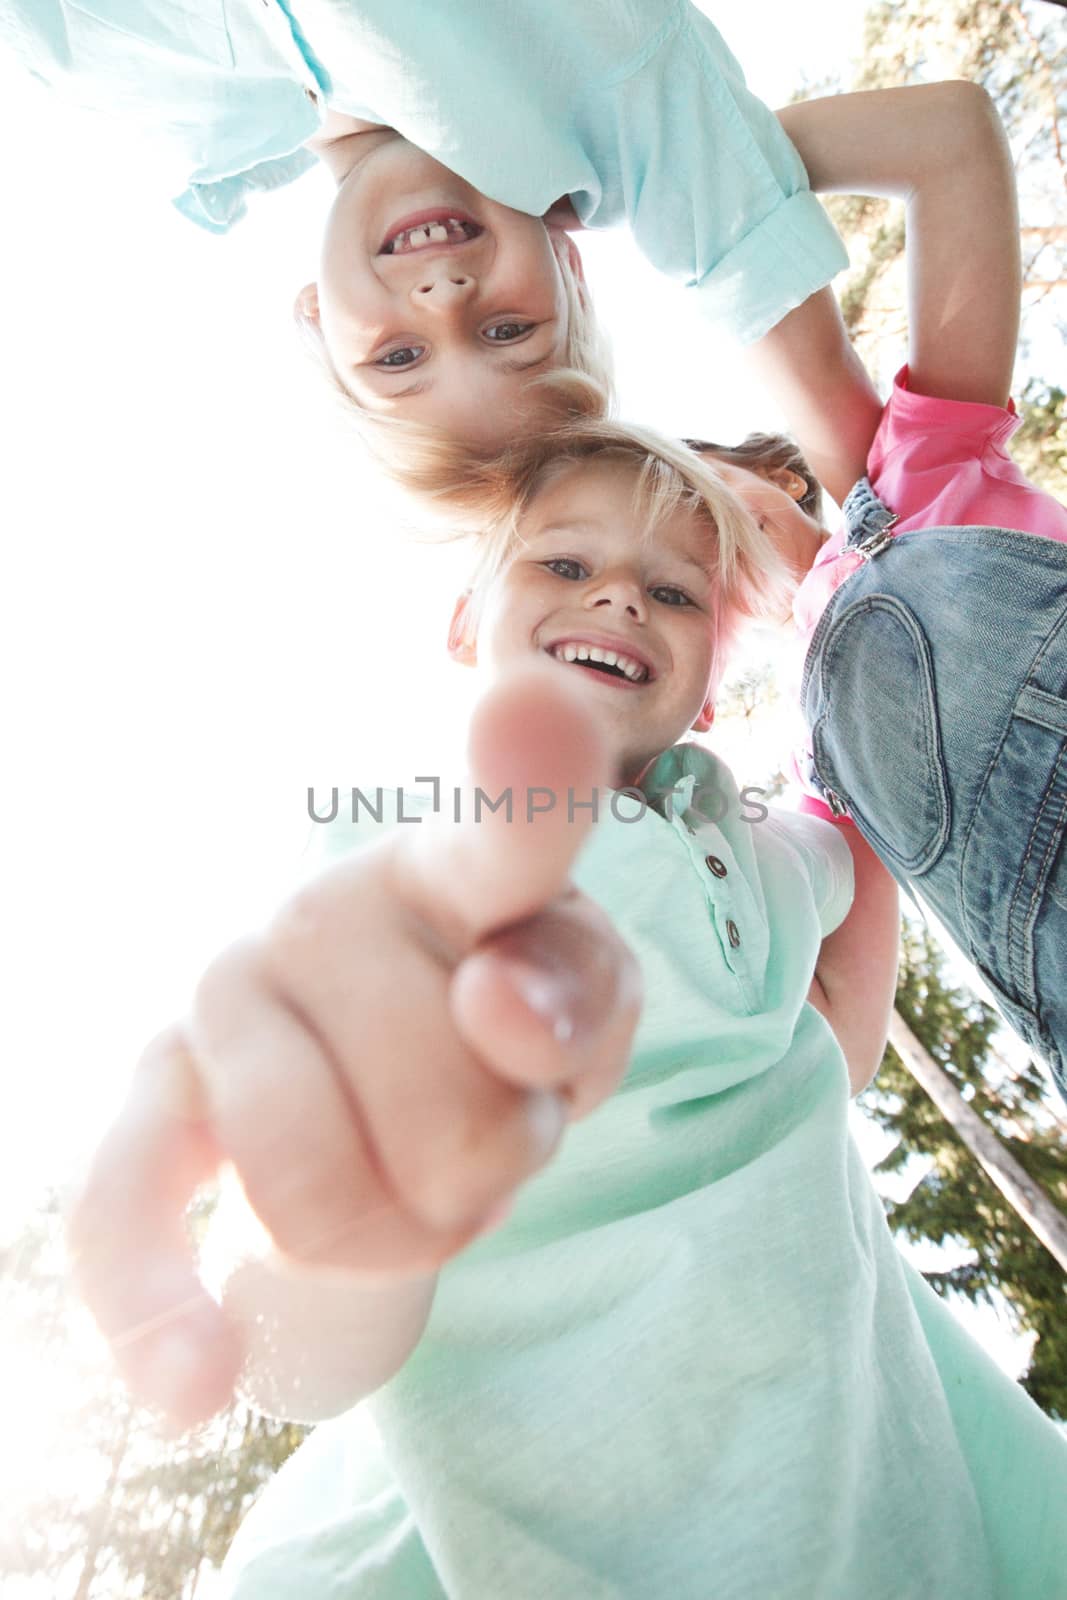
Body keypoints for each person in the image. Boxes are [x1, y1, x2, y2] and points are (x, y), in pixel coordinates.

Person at [69, 420, 1067, 1597]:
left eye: (672, 592)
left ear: (706, 690)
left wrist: (825, 593)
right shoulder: (392, 848)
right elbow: (318, 1039)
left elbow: (844, 1001)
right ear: (460, 625)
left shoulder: (750, 843)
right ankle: (352, 1245)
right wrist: (338, 1224)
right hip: (532, 1454)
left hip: (840, 1425)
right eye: (562, 565)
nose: (618, 602)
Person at [684, 80, 1067, 1105]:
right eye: (673, 572)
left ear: (763, 469)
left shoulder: (918, 474)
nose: (694, 534)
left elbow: (948, 137)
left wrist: (688, 163)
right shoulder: (819, 779)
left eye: (684, 486)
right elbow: (833, 1054)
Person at [0, 0, 847, 460]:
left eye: (398, 358)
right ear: (569, 257)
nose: (445, 299)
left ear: (317, 322)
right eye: (508, 330)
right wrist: (879, 498)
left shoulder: (143, 115)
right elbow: (735, 241)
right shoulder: (589, 78)